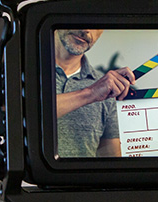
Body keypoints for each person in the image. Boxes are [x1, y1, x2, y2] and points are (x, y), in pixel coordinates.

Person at [53, 29, 134, 158]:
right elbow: (20, 114)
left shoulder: (106, 87)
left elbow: (110, 158)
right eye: (80, 14)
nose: (86, 29)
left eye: (95, 25)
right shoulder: (19, 68)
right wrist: (90, 93)